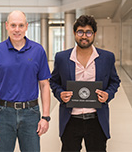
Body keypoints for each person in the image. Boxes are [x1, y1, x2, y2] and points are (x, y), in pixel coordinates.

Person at [50, 15, 121, 152]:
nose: (84, 36)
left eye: (88, 32)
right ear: (74, 33)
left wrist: (108, 94)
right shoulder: (62, 58)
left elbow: (115, 81)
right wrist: (60, 94)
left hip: (96, 119)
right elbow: (54, 81)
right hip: (70, 119)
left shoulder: (107, 58)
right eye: (80, 32)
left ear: (94, 34)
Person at [0, 10, 51, 152]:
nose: (17, 30)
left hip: (31, 113)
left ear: (26, 26)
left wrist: (45, 117)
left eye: (21, 25)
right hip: (3, 113)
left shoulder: (38, 50)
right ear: (6, 26)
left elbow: (44, 85)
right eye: (13, 25)